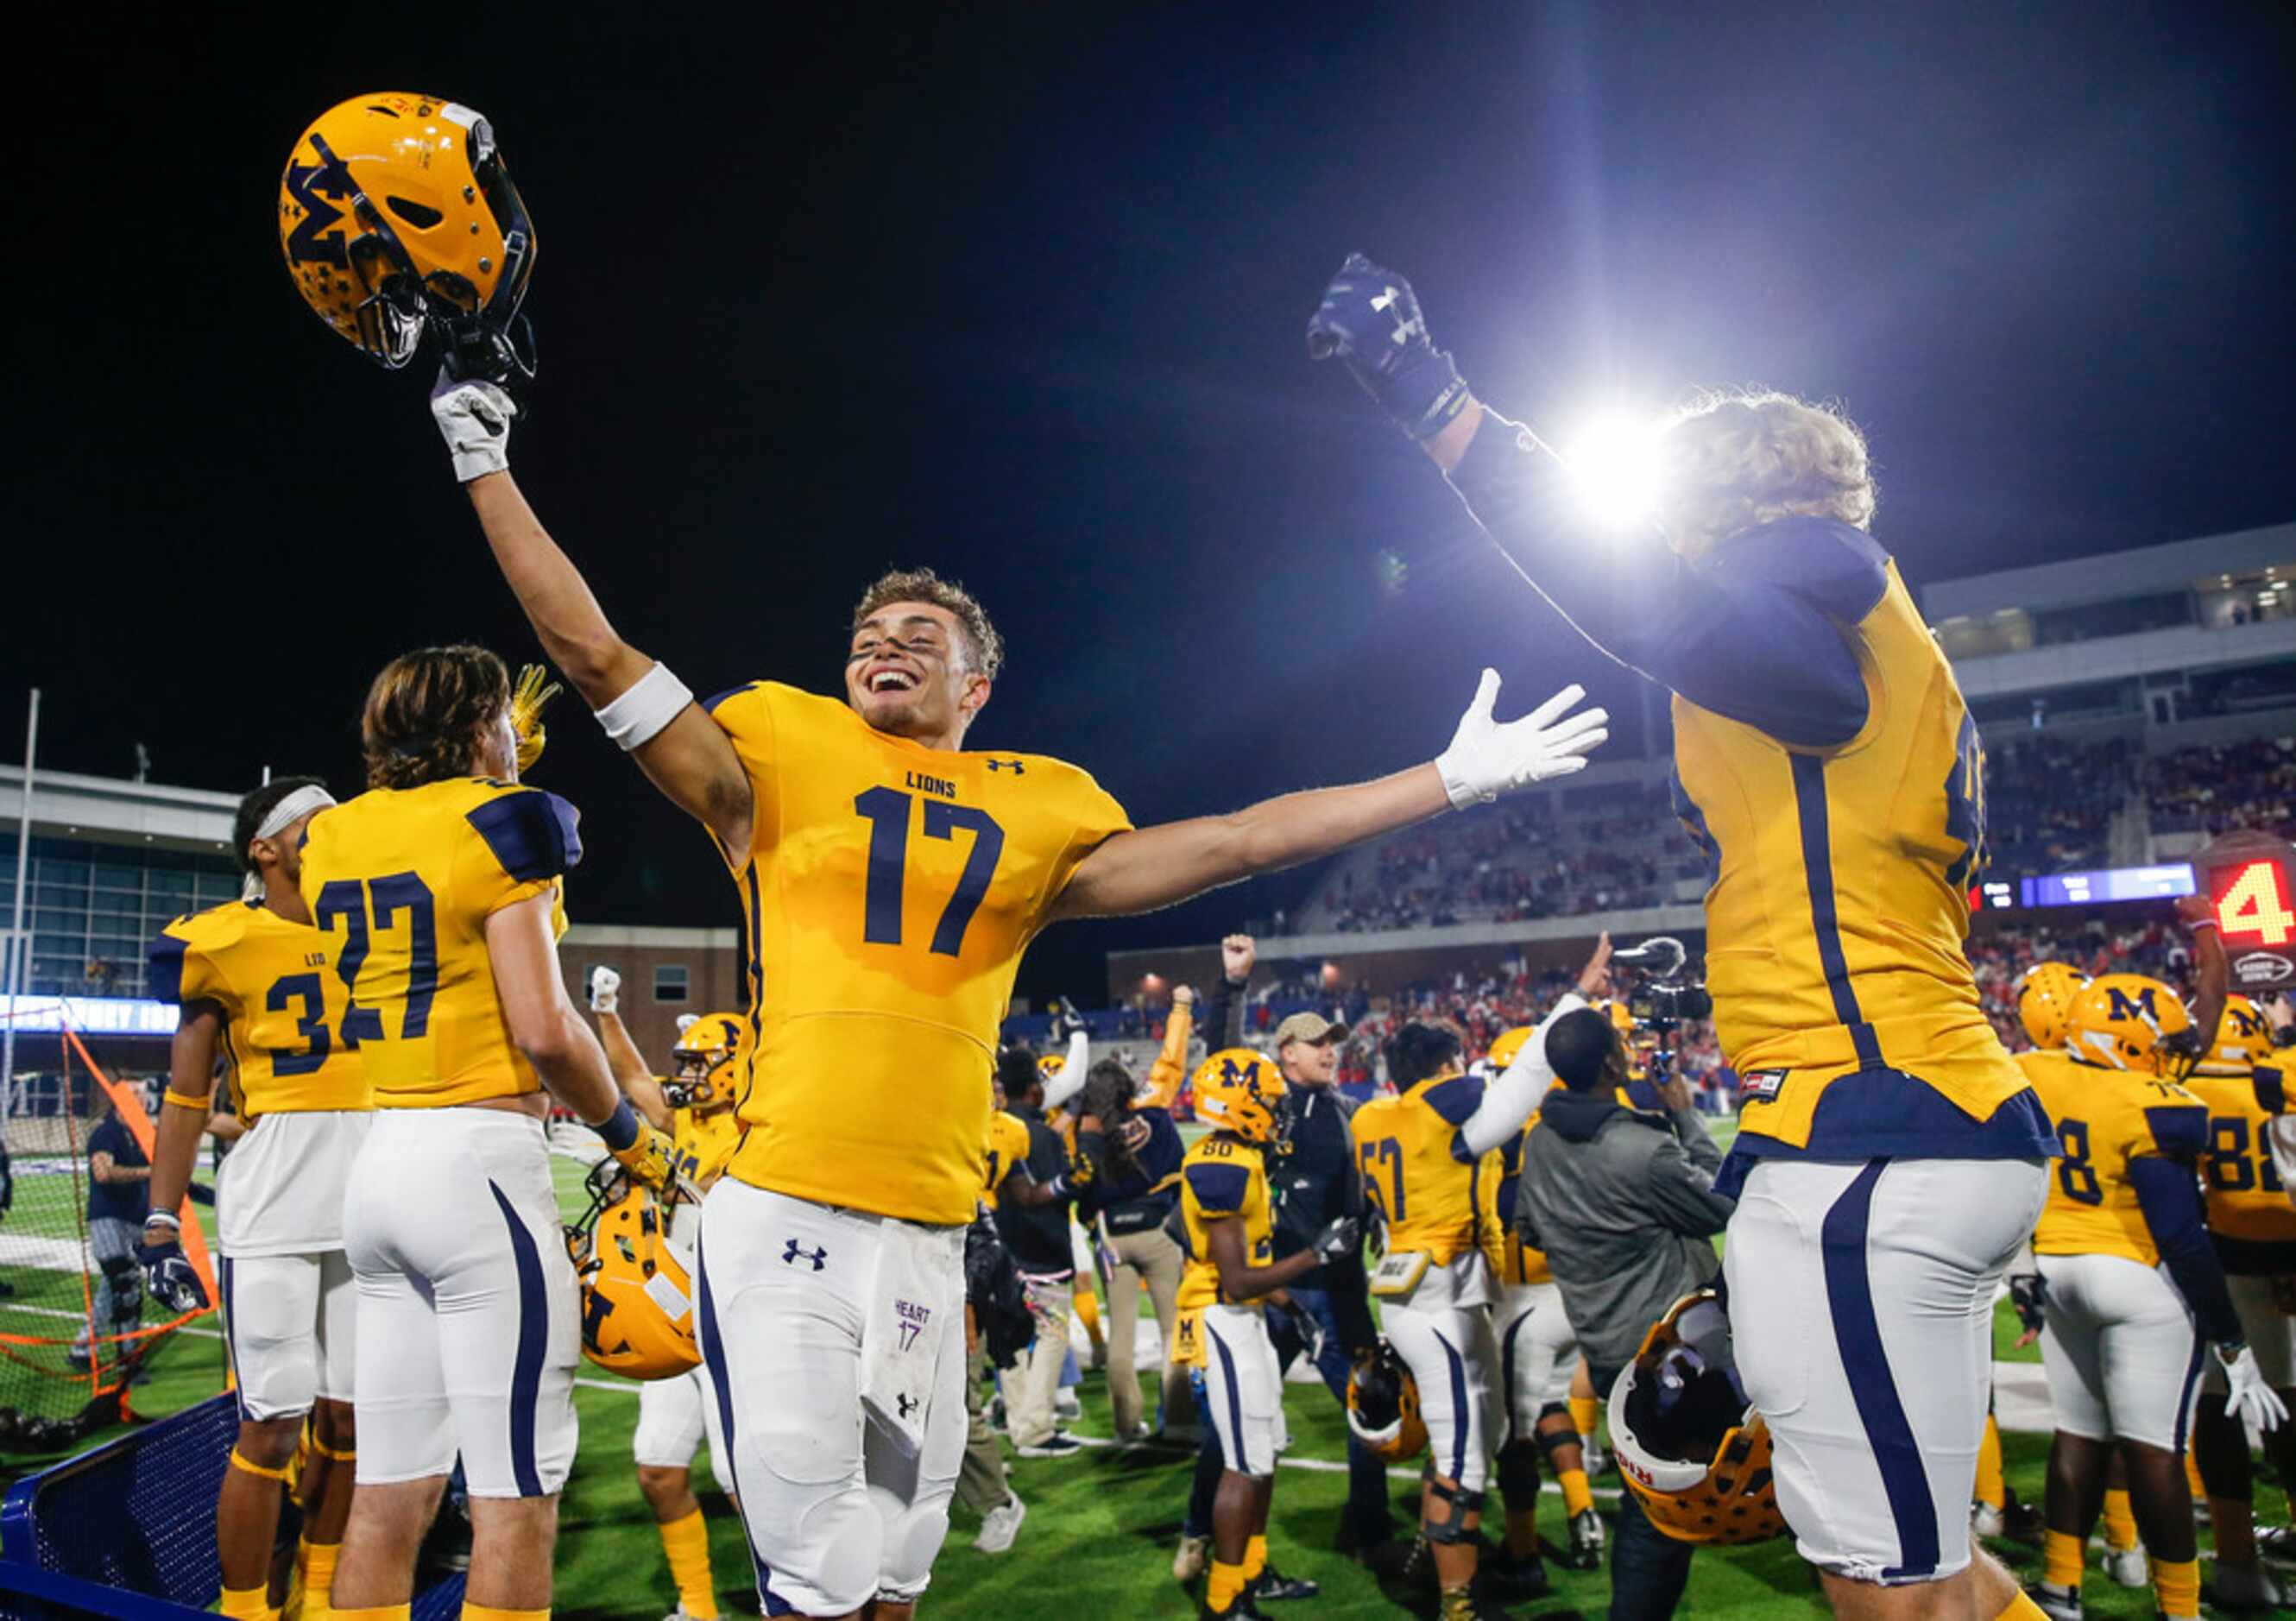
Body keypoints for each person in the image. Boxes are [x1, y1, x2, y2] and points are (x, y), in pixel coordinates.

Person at [432, 367, 1606, 1619]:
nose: (883, 649)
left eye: (917, 639)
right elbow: (591, 650)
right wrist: (483, 467)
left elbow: (1239, 839)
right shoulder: (777, 750)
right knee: (812, 1574)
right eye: (866, 640)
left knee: (896, 1567)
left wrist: (1445, 779)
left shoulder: (1037, 801)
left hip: (934, 1234)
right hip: (782, 1210)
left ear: (976, 686)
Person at [1314, 253, 2060, 1620]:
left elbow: (1648, 603)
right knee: (1941, 1565)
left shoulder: (1811, 581)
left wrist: (1444, 410)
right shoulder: (1872, 613)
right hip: (1910, 1114)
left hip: (1867, 1133)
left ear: (1727, 496)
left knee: (1887, 1590)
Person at [306, 646, 676, 1621]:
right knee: (517, 1498)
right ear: (477, 731)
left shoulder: (331, 836)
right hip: (476, 1167)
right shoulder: (503, 823)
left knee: (390, 1497)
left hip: (380, 1165)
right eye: (503, 721)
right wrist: (631, 1135)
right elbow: (545, 1027)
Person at [140, 776, 369, 1621]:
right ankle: (243, 1609)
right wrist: (163, 1222)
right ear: (264, 849)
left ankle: (319, 1592)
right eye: (314, 827)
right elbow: (187, 1095)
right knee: (271, 1427)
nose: (334, 837)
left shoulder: (377, 929)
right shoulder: (221, 939)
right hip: (274, 1203)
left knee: (351, 1425)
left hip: (375, 1204)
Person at [2011, 959, 2283, 1621]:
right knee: (2156, 1451)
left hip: (2055, 1270)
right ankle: (2180, 1609)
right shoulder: (2150, 1103)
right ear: (2124, 1042)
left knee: (2076, 1436)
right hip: (2133, 1277)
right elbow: (2181, 1236)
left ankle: (2060, 1587)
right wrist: (2229, 1337)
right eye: (2158, 1044)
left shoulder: (2032, 1073)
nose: (2168, 1055)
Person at [1514, 1003, 1738, 1619]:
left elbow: (1530, 1228)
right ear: (1614, 1062)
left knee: (1653, 1507)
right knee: (1681, 1510)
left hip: (1606, 1347)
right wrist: (1684, 1112)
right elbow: (1725, 1202)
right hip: (1677, 1354)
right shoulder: (1639, 1149)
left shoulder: (1540, 1142)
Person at [1351, 1014, 1577, 1619]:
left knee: (1480, 1437)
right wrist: (1576, 1000)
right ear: (1445, 1065)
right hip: (1440, 1298)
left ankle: (1434, 1556)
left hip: (1425, 1290)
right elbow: (1514, 1083)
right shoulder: (1445, 1107)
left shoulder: (1374, 1116)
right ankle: (1459, 1605)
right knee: (1464, 1458)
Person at [1203, 934, 1389, 1558]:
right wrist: (1232, 987)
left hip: (1341, 1288)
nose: (1332, 1052)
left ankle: (1367, 1529)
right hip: (1285, 1289)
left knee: (1372, 1409)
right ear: (1286, 1053)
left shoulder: (1343, 1106)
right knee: (1238, 1420)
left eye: (1334, 1043)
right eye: (1319, 1043)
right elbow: (1223, 1057)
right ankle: (1202, 1532)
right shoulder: (1273, 1107)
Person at [1175, 1050, 1359, 1620]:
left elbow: (1247, 1267)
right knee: (1244, 1459)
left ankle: (1251, 1572)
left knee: (1265, 1451)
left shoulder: (1242, 1155)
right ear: (1243, 1104)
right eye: (1270, 1100)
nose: (1278, 1110)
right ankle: (1224, 1599)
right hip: (1221, 1321)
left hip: (1245, 1315)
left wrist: (1287, 1305)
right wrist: (1314, 1255)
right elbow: (1232, 1279)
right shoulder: (1219, 1165)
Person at [590, 969, 746, 1621]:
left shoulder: (762, 1126)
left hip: (739, 1324)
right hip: (679, 1319)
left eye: (700, 1064)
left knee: (747, 1485)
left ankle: (796, 1599)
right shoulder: (685, 1119)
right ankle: (698, 1606)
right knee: (658, 1468)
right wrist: (606, 1013)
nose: (687, 1076)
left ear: (737, 1068)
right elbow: (631, 1084)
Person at [1482, 938, 1616, 1585]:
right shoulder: (1567, 1128)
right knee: (1554, 1403)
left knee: (1515, 1433)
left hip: (1520, 1299)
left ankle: (1522, 1548)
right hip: (1575, 1293)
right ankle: (1584, 1509)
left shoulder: (1498, 1138)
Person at [2186, 993, 2296, 1610]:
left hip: (2224, 1261)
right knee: (2288, 1403)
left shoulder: (2186, 1091)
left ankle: (2235, 1559)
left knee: (2219, 1406)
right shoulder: (2281, 1079)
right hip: (2283, 1253)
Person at [1070, 1056, 1191, 1443]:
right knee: (1175, 1329)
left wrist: (1094, 1225)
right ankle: (1179, 1421)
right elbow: (1180, 1175)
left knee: (1120, 1334)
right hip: (1159, 1231)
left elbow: (1081, 1191)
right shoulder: (1155, 1119)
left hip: (1112, 1237)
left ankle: (1126, 1425)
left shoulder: (1086, 1134)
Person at [991, 1045, 1088, 1458]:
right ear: (1034, 1091)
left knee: (1010, 1339)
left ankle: (1017, 1419)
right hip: (1041, 1252)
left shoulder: (988, 1127)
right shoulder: (1043, 1136)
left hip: (995, 1253)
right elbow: (1046, 1195)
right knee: (1049, 1337)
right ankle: (1033, 1428)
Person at [73, 1088, 151, 1372]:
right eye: (135, 1095)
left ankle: (83, 1348)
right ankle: (126, 1357)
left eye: (142, 1095)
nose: (142, 1100)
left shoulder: (139, 1136)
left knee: (112, 1286)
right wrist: (146, 1173)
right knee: (125, 1284)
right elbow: (103, 1173)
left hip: (133, 1221)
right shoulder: (105, 1133)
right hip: (109, 1220)